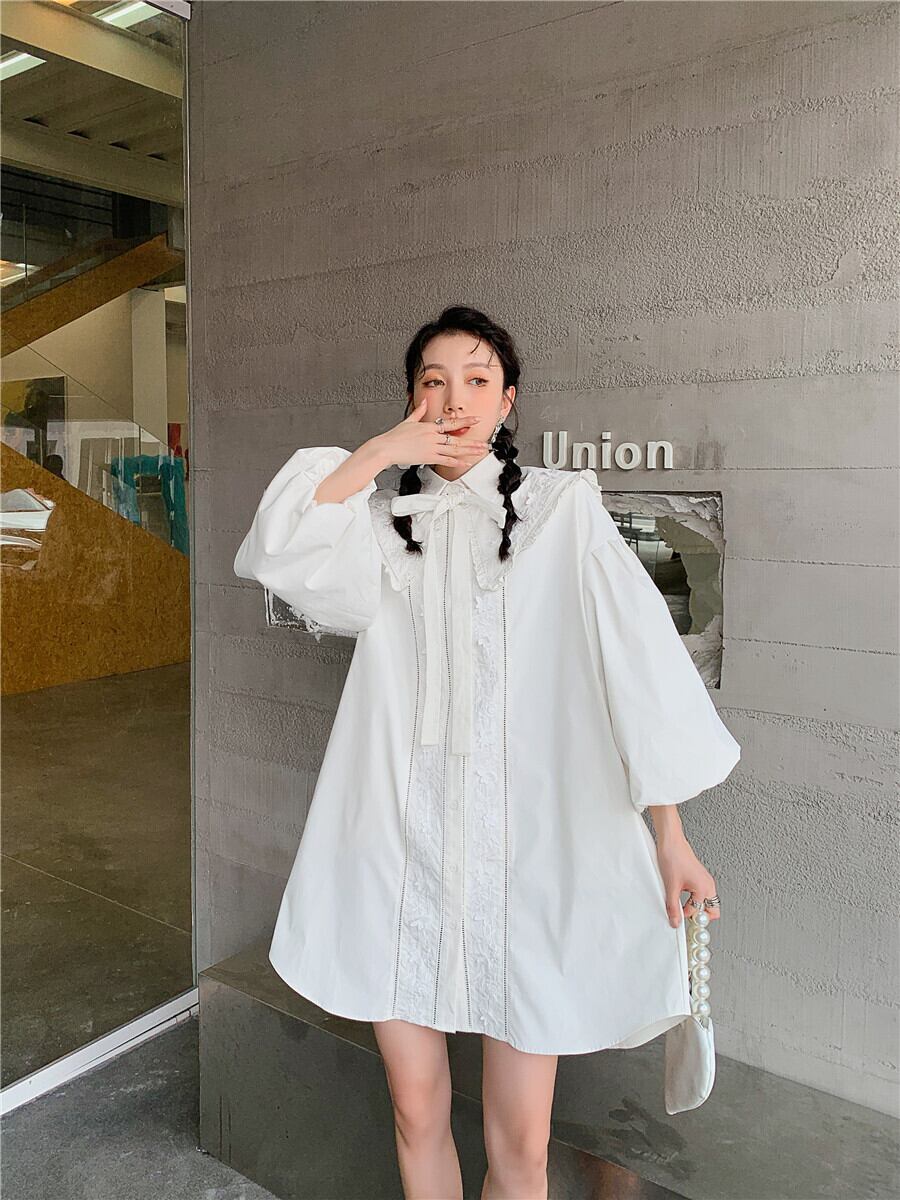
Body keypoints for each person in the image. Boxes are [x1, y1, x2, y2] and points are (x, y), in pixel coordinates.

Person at [233, 306, 740, 1200]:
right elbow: (281, 539)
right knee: (415, 1112)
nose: (454, 401)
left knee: (521, 1145)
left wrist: (670, 833)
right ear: (410, 399)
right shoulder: (381, 524)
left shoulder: (561, 511)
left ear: (509, 401)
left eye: (476, 381)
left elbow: (636, 673)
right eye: (433, 382)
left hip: (525, 863)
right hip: (397, 855)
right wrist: (382, 452)